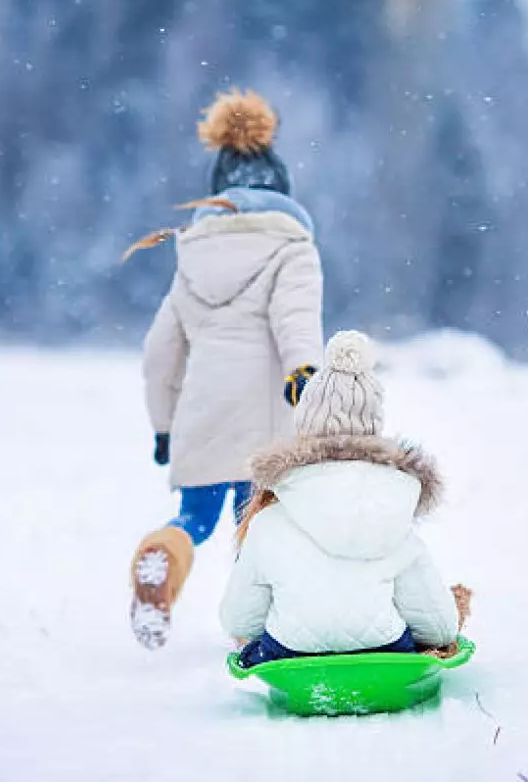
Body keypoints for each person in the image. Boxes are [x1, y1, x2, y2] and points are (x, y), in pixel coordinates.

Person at [125, 88, 325, 650]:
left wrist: (164, 427)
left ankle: (162, 556)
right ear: (282, 191)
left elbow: (160, 353)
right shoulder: (294, 248)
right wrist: (304, 371)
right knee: (258, 527)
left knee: (195, 520)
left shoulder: (191, 253)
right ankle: (258, 632)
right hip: (265, 418)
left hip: (203, 413)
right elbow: (296, 320)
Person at [220, 331, 462, 667]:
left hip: (291, 653)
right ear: (374, 425)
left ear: (305, 422)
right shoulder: (394, 509)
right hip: (384, 653)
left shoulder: (269, 519)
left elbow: (238, 621)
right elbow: (440, 626)